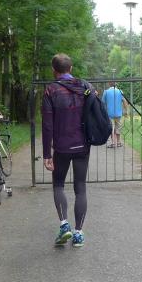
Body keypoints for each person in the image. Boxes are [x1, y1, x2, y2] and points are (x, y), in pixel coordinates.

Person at [42, 53, 95, 248]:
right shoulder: (85, 87)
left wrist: (47, 154)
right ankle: (78, 234)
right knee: (80, 187)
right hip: (83, 145)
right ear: (70, 69)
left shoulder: (51, 90)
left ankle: (64, 225)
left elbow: (47, 125)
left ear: (53, 70)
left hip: (62, 147)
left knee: (58, 185)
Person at [101, 82, 127, 148]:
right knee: (118, 127)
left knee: (111, 128)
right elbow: (124, 101)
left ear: (109, 84)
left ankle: (113, 143)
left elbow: (102, 103)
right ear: (116, 84)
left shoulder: (106, 92)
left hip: (109, 113)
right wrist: (125, 111)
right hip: (118, 113)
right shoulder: (120, 91)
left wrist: (103, 112)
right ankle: (118, 142)